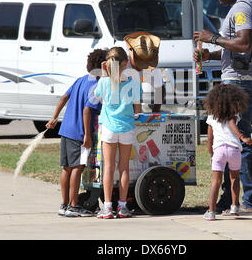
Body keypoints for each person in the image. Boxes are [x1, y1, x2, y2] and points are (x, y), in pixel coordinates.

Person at [193, 0, 252, 214]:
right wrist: (209, 54)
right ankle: (230, 201)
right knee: (230, 141)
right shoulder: (237, 8)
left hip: (240, 83)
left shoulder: (243, 8)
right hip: (236, 80)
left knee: (239, 141)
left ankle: (251, 202)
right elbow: (231, 48)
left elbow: (244, 44)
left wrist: (212, 38)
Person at [46, 49, 107, 217]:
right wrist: (87, 135)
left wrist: (54, 118)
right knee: (77, 168)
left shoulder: (80, 80)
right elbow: (88, 109)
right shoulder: (96, 86)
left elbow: (63, 98)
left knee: (66, 168)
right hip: (79, 133)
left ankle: (64, 205)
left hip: (65, 129)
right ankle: (73, 206)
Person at [94, 47, 141, 219]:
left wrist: (106, 74)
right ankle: (122, 206)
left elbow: (97, 97)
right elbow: (137, 108)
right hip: (127, 127)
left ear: (107, 64)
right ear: (125, 63)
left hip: (108, 127)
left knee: (108, 167)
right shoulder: (133, 83)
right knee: (124, 167)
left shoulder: (104, 83)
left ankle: (107, 207)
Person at [203, 83, 252, 221]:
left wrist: (211, 154)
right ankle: (234, 208)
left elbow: (209, 138)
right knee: (235, 179)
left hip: (218, 150)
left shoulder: (212, 116)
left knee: (216, 182)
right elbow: (231, 123)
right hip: (234, 149)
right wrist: (242, 137)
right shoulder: (234, 113)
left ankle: (211, 212)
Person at [124, 31, 165, 115]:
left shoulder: (152, 68)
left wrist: (155, 112)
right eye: (140, 62)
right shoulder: (122, 64)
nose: (143, 67)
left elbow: (160, 89)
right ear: (131, 55)